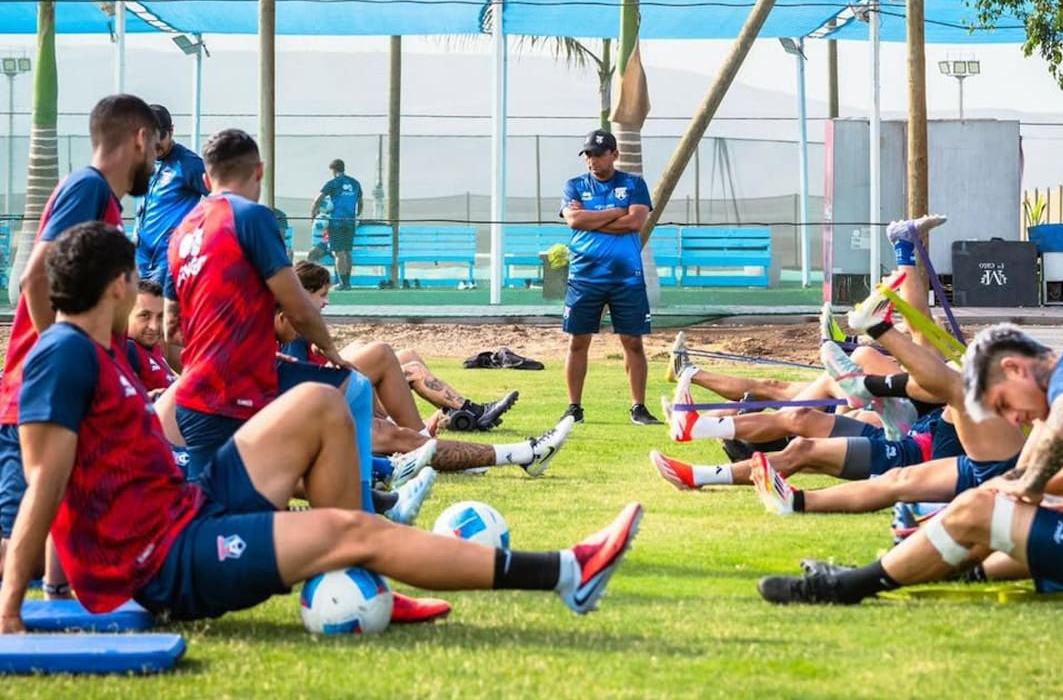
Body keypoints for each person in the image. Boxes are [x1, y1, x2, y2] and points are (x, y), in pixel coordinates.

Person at [0, 221, 643, 631]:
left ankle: (359, 572)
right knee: (352, 529)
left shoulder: (93, 350)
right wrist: (21, 604)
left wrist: (61, 582)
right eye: (135, 282)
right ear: (116, 287)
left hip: (187, 506)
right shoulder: (64, 357)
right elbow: (46, 484)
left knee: (322, 402)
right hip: (166, 559)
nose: (142, 293)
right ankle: (566, 572)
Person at [760, 322, 1063, 604]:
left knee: (980, 509)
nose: (1014, 419)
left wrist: (1027, 482)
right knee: (986, 517)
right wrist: (1038, 495)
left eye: (1004, 402)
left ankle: (846, 588)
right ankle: (887, 574)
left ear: (1016, 368)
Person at [0, 94, 158, 594]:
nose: (154, 159)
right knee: (13, 545)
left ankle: (58, 591)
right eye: (154, 147)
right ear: (138, 139)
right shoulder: (88, 188)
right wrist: (63, 357)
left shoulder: (101, 199)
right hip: (37, 392)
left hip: (49, 387)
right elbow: (35, 278)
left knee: (61, 518)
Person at [164, 130, 355, 479]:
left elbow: (170, 329)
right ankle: (361, 508)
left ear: (206, 179)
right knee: (353, 386)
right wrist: (330, 350)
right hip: (237, 392)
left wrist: (238, 344)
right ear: (260, 171)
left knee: (221, 510)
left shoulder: (181, 232)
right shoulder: (252, 217)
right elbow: (298, 308)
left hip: (193, 395)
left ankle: (365, 500)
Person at [282, 260, 520, 431]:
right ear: (305, 292)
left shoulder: (303, 322)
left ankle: (455, 414)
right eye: (322, 295)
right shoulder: (295, 321)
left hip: (328, 383)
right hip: (321, 392)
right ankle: (470, 413)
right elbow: (299, 372)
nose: (327, 302)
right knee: (404, 365)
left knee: (407, 355)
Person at [560, 129, 660, 426]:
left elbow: (636, 222)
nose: (592, 160)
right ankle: (574, 408)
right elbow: (574, 220)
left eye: (598, 154)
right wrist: (616, 213)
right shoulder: (574, 185)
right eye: (588, 154)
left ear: (614, 155)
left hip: (626, 278)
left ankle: (638, 408)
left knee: (632, 342)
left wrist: (593, 219)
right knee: (578, 341)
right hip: (585, 276)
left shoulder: (633, 184)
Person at [133, 105, 208, 288]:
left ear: (171, 131)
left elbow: (222, 196)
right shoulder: (143, 161)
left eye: (161, 138)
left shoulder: (188, 164)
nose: (155, 145)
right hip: (140, 257)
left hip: (168, 260)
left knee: (161, 311)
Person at [310, 158, 362, 290]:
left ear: (333, 170)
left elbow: (318, 200)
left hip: (337, 222)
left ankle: (342, 283)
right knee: (347, 252)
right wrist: (356, 215)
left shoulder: (333, 183)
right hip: (350, 221)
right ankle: (348, 283)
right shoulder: (355, 183)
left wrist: (313, 214)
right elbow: (360, 203)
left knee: (338, 252)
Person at [125, 279, 176, 396]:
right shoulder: (127, 350)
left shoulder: (155, 349)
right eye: (144, 315)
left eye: (160, 317)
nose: (154, 327)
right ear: (125, 314)